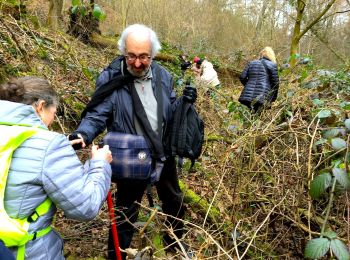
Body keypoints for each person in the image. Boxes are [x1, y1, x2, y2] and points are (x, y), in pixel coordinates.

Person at [71, 24, 197, 259]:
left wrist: (184, 104)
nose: (137, 63)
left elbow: (168, 109)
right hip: (131, 156)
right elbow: (98, 113)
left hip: (162, 153)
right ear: (123, 51)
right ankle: (116, 254)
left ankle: (175, 244)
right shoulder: (112, 77)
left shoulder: (163, 75)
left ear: (153, 54)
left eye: (143, 57)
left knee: (175, 203)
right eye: (131, 56)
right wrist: (83, 134)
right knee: (125, 211)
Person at [0, 76, 113, 259]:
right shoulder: (49, 145)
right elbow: (85, 207)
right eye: (53, 112)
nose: (52, 120)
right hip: (27, 251)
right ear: (40, 106)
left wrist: (57, 152)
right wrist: (99, 164)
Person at [238, 46, 279, 113]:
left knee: (248, 116)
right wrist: (273, 98)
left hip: (247, 96)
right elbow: (275, 84)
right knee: (257, 118)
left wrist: (248, 86)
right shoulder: (272, 65)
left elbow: (242, 77)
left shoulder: (252, 63)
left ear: (261, 54)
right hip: (262, 97)